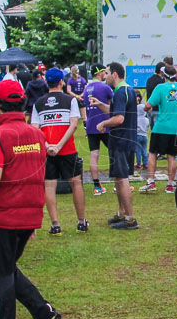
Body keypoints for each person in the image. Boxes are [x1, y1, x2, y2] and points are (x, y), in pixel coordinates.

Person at [0, 80, 61, 319]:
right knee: (8, 268)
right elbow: (37, 173)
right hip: (29, 214)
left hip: (4, 214)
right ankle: (44, 313)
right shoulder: (37, 134)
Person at [31, 68, 87, 235]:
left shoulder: (38, 103)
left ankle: (55, 224)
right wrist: (60, 145)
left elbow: (35, 128)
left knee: (49, 186)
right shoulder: (70, 100)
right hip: (67, 149)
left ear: (46, 82)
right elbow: (74, 125)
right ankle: (81, 222)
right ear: (62, 82)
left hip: (48, 151)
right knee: (76, 183)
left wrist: (48, 145)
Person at [98, 63, 139, 230]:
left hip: (120, 140)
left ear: (114, 74)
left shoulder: (121, 92)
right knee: (119, 178)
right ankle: (121, 213)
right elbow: (116, 111)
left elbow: (118, 119)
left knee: (122, 179)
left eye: (106, 73)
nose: (104, 76)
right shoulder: (127, 89)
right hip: (127, 139)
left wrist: (103, 124)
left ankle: (130, 219)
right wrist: (99, 104)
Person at [139, 66, 177, 194]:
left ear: (163, 75)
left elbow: (148, 105)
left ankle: (151, 181)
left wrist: (145, 108)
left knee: (153, 153)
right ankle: (170, 184)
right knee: (172, 155)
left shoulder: (160, 88)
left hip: (161, 127)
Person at [83, 65, 114, 196]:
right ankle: (118, 183)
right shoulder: (105, 87)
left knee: (93, 155)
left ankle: (97, 186)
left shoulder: (86, 89)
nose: (105, 75)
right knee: (114, 153)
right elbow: (114, 103)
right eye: (104, 72)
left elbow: (86, 106)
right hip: (105, 124)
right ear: (99, 73)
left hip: (91, 125)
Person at [134, 92, 149, 171]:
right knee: (144, 150)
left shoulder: (136, 119)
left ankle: (139, 163)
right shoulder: (146, 119)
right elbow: (147, 126)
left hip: (138, 135)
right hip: (145, 135)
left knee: (138, 150)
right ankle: (146, 163)